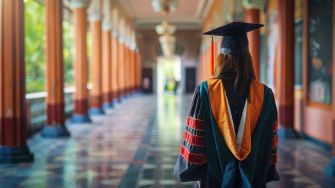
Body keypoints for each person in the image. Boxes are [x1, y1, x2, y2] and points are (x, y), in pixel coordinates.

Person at [174, 22, 280, 188]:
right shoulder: (265, 94)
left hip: (213, 178)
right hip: (253, 177)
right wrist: (264, 171)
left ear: (220, 58)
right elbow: (270, 142)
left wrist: (193, 169)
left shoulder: (205, 91)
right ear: (248, 56)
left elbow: (195, 140)